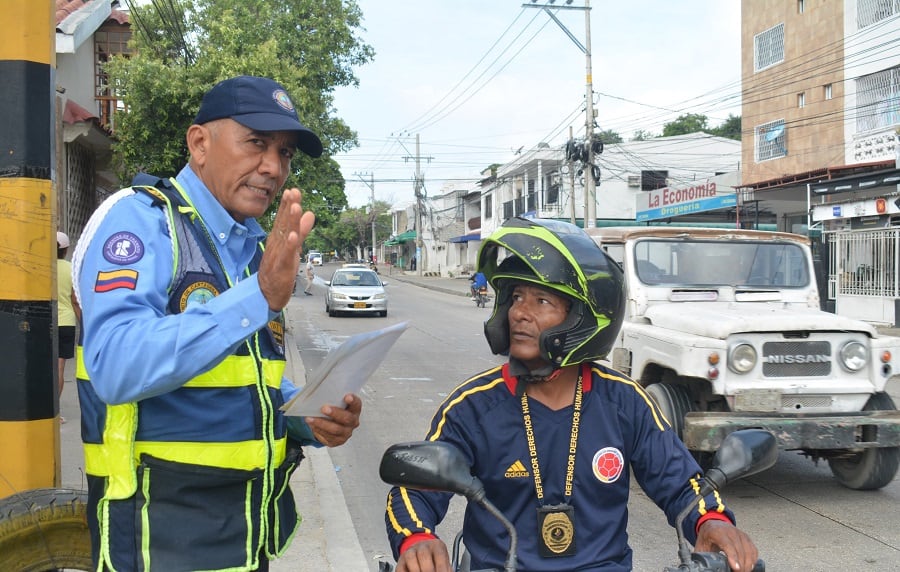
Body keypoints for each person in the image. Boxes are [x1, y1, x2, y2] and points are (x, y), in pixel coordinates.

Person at [72, 75, 362, 572]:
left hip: (245, 539)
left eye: (285, 152)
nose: (273, 167)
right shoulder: (141, 221)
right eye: (256, 143)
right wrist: (257, 297)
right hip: (155, 542)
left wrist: (305, 417)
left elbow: (243, 378)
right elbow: (115, 365)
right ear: (199, 143)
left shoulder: (250, 251)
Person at [385, 217, 759, 572]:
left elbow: (679, 482)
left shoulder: (625, 402)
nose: (520, 313)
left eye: (541, 301)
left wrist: (712, 521)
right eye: (516, 297)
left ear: (582, 315)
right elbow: (415, 490)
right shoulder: (473, 405)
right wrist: (416, 537)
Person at [56, 231, 81, 407]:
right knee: (59, 366)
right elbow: (74, 299)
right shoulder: (71, 269)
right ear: (65, 250)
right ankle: (55, 409)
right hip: (65, 322)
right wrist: (84, 323)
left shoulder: (42, 267)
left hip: (45, 322)